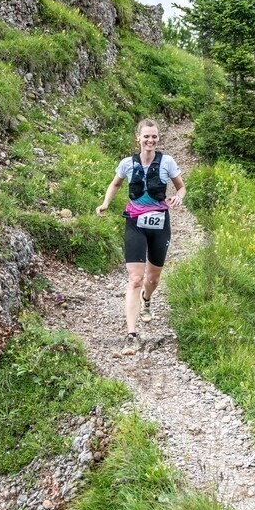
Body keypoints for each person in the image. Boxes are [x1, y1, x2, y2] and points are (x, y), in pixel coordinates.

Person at [96, 119, 186, 350]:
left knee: (152, 279)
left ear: (158, 138)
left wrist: (178, 197)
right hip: (135, 222)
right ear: (138, 138)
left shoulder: (167, 162)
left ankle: (147, 299)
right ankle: (131, 334)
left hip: (160, 223)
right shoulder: (127, 163)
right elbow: (115, 184)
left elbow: (181, 187)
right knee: (135, 278)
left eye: (154, 136)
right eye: (146, 136)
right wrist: (105, 203)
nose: (150, 140)